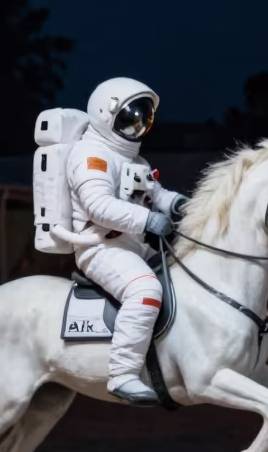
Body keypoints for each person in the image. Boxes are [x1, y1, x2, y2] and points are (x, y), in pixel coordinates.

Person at [65, 77, 187, 404]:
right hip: (101, 247)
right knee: (146, 290)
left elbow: (156, 194)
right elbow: (98, 205)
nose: (136, 125)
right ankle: (122, 374)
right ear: (107, 115)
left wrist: (179, 204)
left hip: (135, 246)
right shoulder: (90, 154)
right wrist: (149, 219)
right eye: (129, 117)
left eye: (142, 118)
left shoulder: (136, 161)